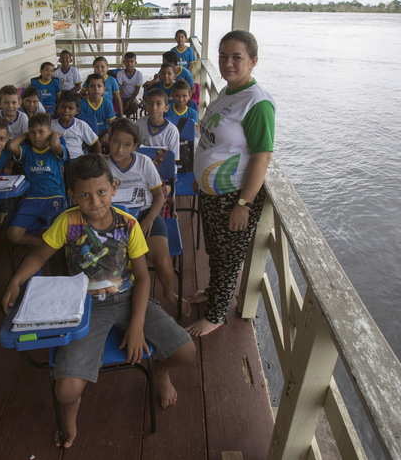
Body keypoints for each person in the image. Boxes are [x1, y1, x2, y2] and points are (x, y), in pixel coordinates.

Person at [2, 154, 195, 448]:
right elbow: (40, 255)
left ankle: (161, 371)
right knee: (65, 392)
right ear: (72, 195)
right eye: (85, 195)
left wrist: (137, 325)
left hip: (129, 298)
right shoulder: (66, 222)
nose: (94, 201)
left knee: (186, 352)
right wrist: (16, 280)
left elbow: (143, 278)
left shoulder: (128, 224)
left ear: (113, 188)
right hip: (83, 307)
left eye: (101, 192)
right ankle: (70, 421)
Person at [189, 30, 275, 337]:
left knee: (228, 259)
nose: (228, 63)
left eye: (236, 57)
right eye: (223, 56)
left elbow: (262, 157)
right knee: (214, 250)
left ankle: (215, 316)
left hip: (232, 196)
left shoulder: (257, 103)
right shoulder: (227, 92)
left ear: (253, 61)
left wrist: (244, 203)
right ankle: (214, 292)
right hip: (211, 192)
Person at [107, 118, 187, 314]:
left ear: (135, 146)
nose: (119, 149)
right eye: (115, 142)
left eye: (127, 145)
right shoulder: (102, 165)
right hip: (114, 220)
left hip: (144, 214)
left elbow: (159, 196)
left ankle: (169, 293)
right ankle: (124, 301)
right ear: (108, 140)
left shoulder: (144, 163)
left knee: (162, 260)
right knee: (119, 262)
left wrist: (149, 219)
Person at [7, 112, 68, 246]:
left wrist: (54, 135)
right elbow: (12, 146)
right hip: (31, 199)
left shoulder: (54, 150)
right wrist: (25, 134)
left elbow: (55, 145)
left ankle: (53, 245)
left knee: (65, 231)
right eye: (33, 133)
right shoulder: (27, 151)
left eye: (41, 132)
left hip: (55, 197)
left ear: (50, 132)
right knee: (13, 235)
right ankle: (45, 245)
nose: (37, 136)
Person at [51, 91, 100, 159]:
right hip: (57, 162)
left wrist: (96, 160)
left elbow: (95, 143)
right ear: (57, 108)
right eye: (63, 107)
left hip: (78, 162)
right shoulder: (51, 125)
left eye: (70, 108)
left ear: (77, 111)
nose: (66, 110)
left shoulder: (81, 125)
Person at [136, 88, 180, 163]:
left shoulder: (172, 131)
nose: (154, 107)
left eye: (158, 104)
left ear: (166, 108)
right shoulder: (139, 124)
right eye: (150, 103)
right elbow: (134, 148)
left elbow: (174, 158)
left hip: (163, 169)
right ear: (146, 106)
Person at [78, 73, 116, 138]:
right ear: (87, 88)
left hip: (104, 133)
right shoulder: (82, 104)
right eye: (92, 86)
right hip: (87, 134)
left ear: (104, 89)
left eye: (99, 86)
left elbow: (111, 123)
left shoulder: (107, 103)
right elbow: (80, 124)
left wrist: (108, 134)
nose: (96, 89)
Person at [115, 52, 143, 119]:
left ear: (135, 63)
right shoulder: (120, 73)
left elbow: (137, 91)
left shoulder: (139, 74)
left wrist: (129, 101)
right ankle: (120, 118)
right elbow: (119, 89)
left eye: (131, 61)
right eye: (127, 62)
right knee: (117, 103)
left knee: (134, 105)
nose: (129, 64)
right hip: (121, 96)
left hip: (132, 97)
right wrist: (121, 100)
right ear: (124, 62)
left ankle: (127, 118)